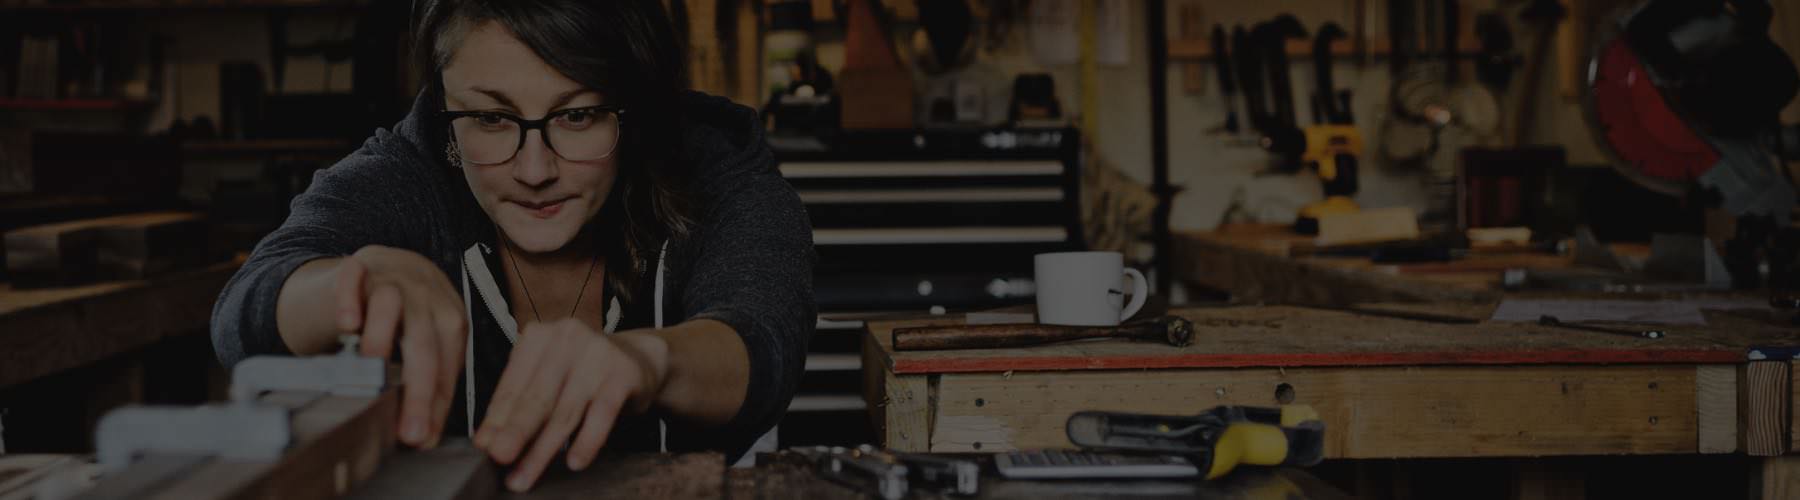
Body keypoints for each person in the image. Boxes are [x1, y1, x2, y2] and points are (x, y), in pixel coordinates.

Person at [209, 0, 815, 492]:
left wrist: (649, 363)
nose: (533, 170)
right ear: (445, 103)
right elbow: (243, 315)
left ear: (634, 109)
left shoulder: (714, 165)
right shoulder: (405, 172)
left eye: (577, 116)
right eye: (490, 119)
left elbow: (763, 343)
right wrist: (349, 283)